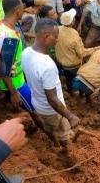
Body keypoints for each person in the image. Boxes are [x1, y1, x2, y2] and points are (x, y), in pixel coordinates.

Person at [22, 18, 80, 149]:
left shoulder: (26, 52)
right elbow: (52, 99)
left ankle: (55, 143)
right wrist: (70, 116)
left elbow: (27, 77)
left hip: (37, 103)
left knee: (49, 128)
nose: (57, 40)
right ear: (46, 36)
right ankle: (65, 152)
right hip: (51, 110)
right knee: (64, 135)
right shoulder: (47, 66)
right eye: (56, 37)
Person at [56, 8, 100, 93]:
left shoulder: (57, 29)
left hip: (61, 62)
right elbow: (82, 53)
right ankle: (77, 92)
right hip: (73, 65)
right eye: (73, 18)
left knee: (68, 79)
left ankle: (70, 90)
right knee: (77, 80)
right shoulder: (74, 35)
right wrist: (95, 49)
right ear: (72, 22)